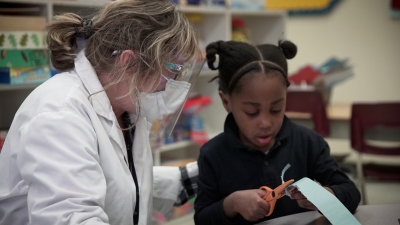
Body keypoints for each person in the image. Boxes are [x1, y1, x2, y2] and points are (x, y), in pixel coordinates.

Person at [0, 0, 201, 224]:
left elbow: (120, 183)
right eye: (173, 71)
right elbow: (73, 218)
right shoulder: (61, 113)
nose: (177, 84)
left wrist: (198, 176)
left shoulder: (127, 106)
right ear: (129, 63)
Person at [194, 40, 361, 225]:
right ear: (226, 102)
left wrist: (326, 196)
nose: (266, 123)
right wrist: (231, 204)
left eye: (276, 109)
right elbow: (202, 219)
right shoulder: (213, 154)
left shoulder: (308, 143)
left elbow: (351, 193)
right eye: (252, 112)